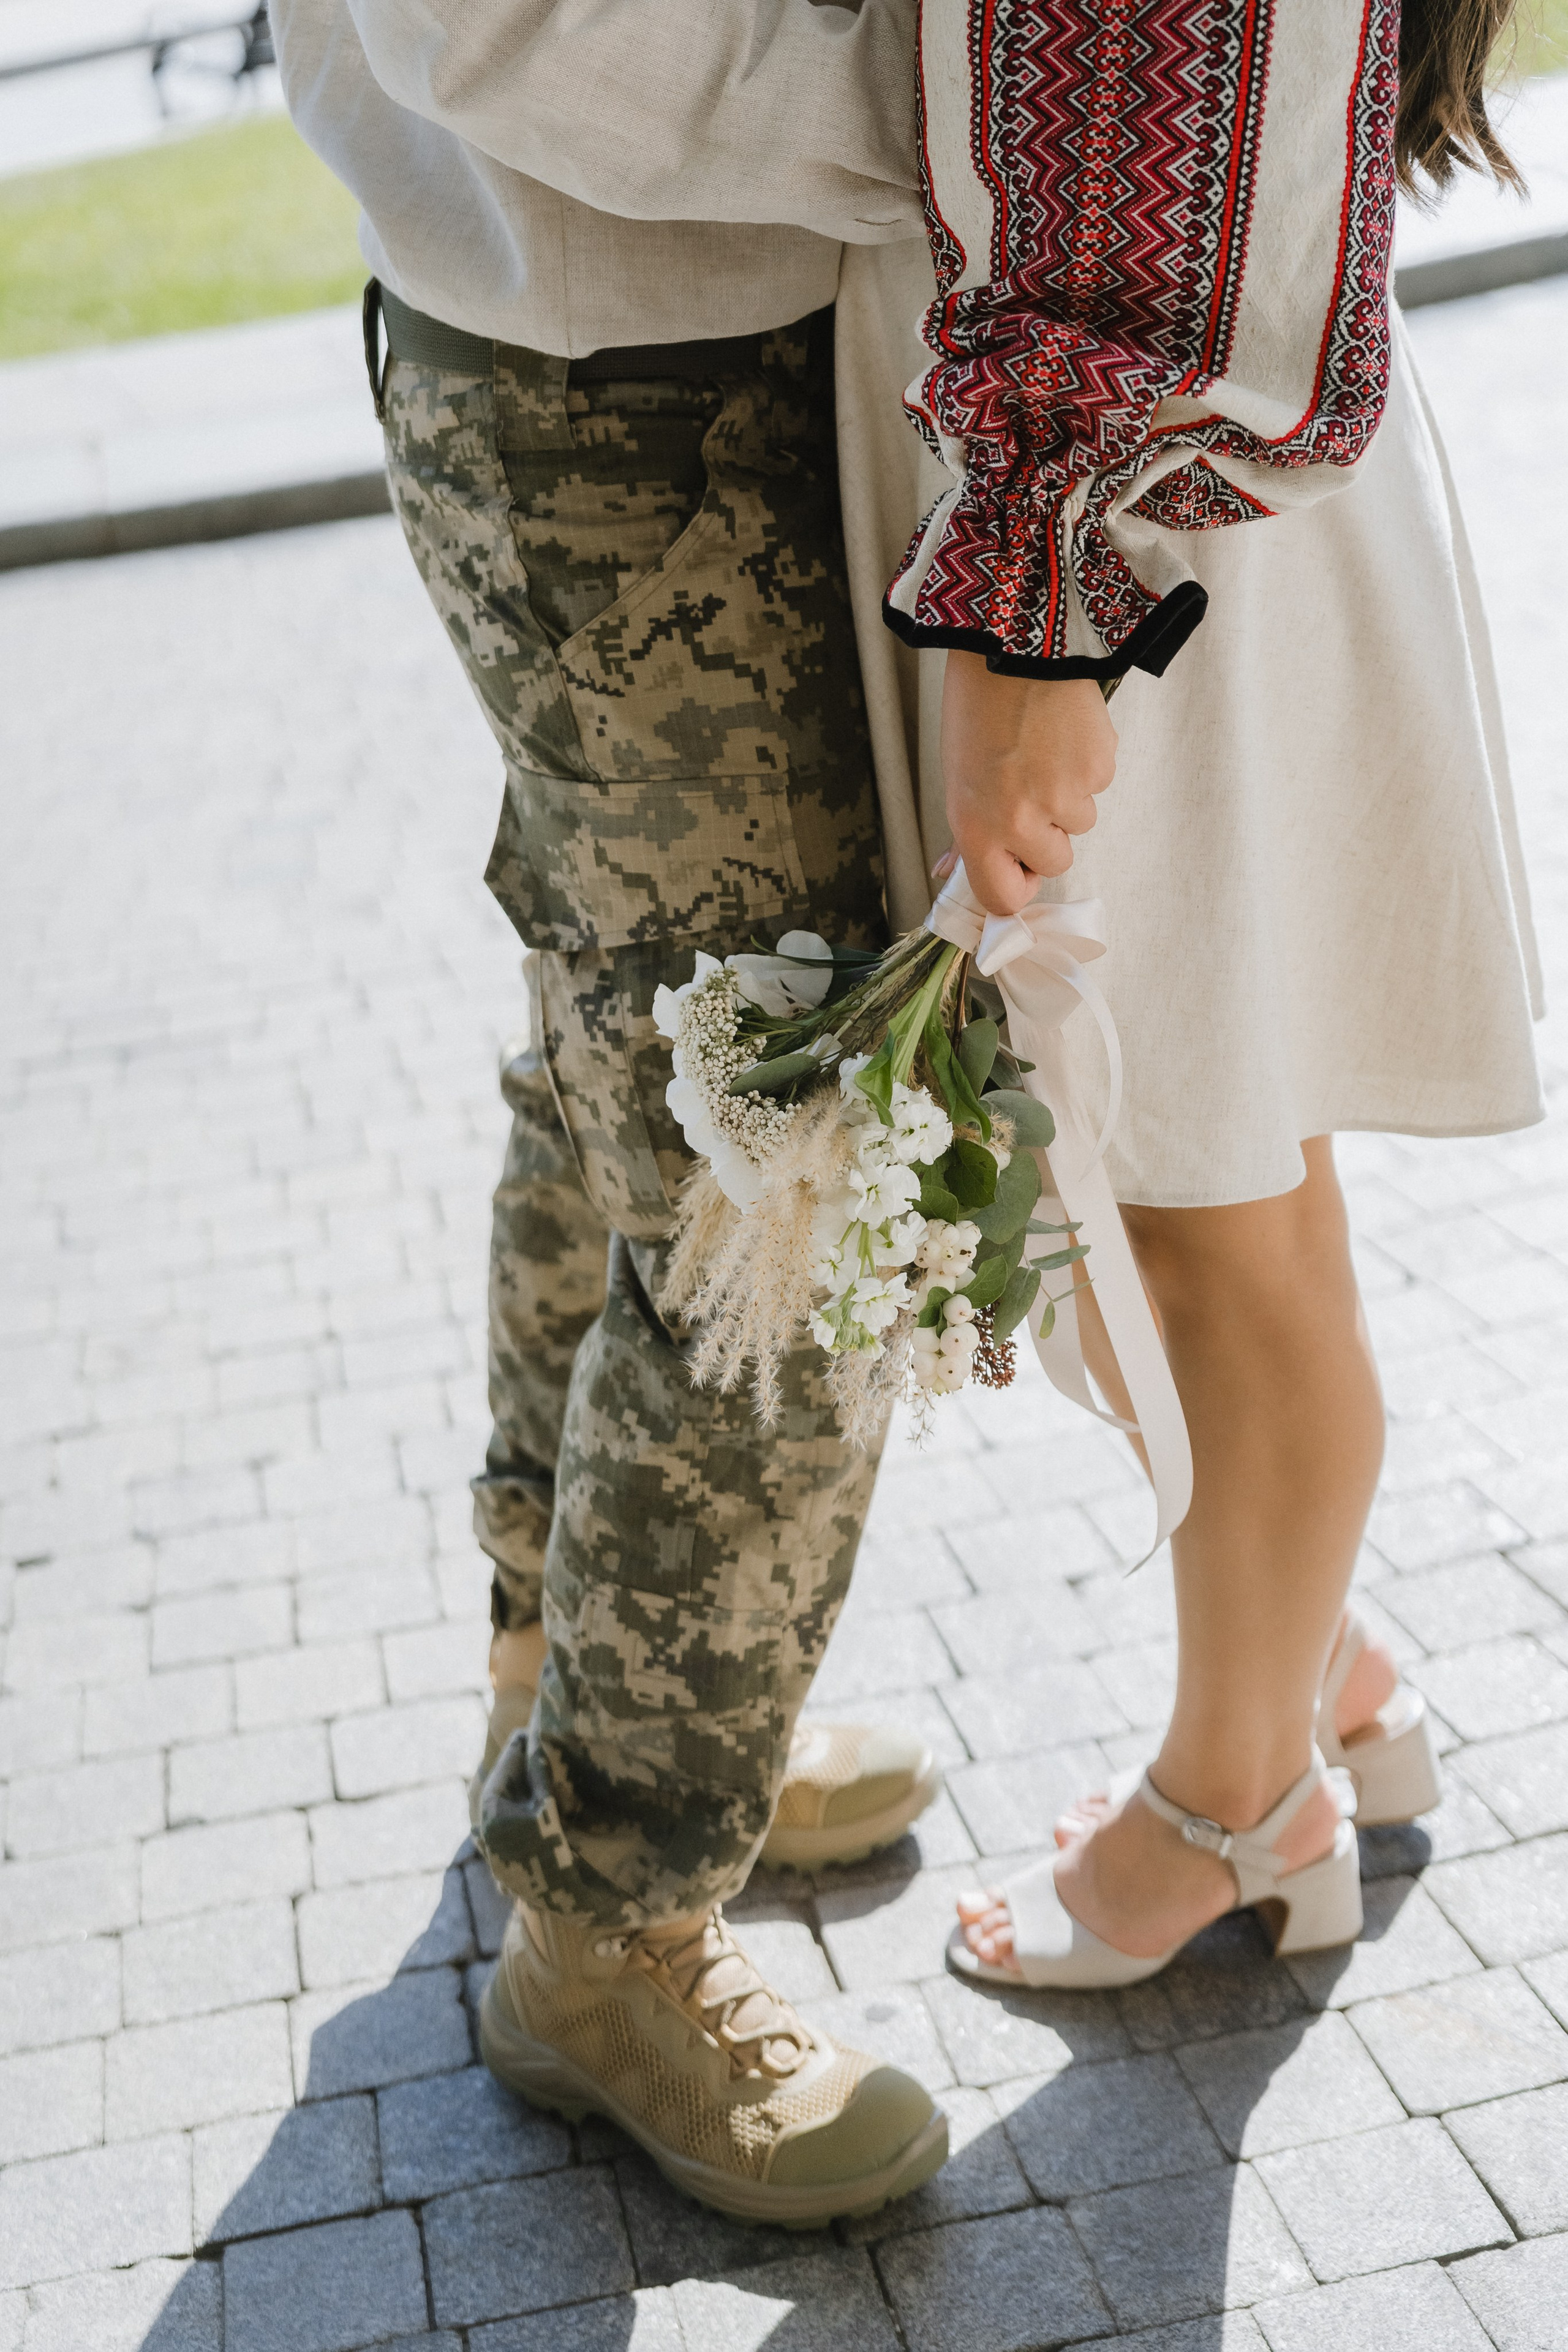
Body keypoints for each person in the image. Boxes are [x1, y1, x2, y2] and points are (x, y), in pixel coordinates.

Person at [270, 0, 956, 2227]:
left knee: (635, 1081)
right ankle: (611, 1921)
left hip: (660, 326)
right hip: (617, 363)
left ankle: (572, 1694)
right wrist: (966, 110)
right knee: (794, 1169)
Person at [883, 0, 1543, 1989]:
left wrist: (1049, 586)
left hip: (1153, 510)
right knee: (1188, 1187)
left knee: (1196, 1219)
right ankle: (1310, 1669)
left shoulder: (1097, 494)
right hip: (1164, 480)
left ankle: (1234, 1807)